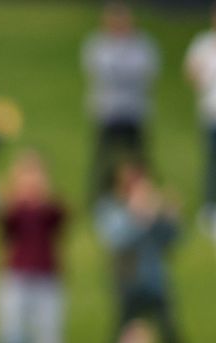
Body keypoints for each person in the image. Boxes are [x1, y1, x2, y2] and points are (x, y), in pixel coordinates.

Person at [0, 151, 68, 343]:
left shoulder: (49, 209)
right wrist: (13, 198)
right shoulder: (13, 208)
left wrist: (42, 198)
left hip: (46, 277)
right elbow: (3, 225)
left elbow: (60, 218)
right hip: (16, 276)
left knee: (47, 334)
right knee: (12, 335)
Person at [95, 163, 184, 343]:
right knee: (121, 335)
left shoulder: (152, 210)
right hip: (128, 283)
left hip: (155, 283)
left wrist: (172, 218)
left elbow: (170, 241)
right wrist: (139, 215)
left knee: (170, 335)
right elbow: (117, 239)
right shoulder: (112, 209)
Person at [82, 2, 158, 201]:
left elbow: (144, 72)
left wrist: (120, 71)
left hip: (134, 110)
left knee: (139, 158)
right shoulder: (97, 44)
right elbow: (101, 72)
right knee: (103, 158)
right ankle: (99, 197)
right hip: (107, 110)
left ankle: (143, 196)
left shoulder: (143, 45)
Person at [184, 5, 216, 234]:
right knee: (212, 161)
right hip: (211, 112)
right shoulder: (203, 43)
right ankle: (210, 208)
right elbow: (190, 72)